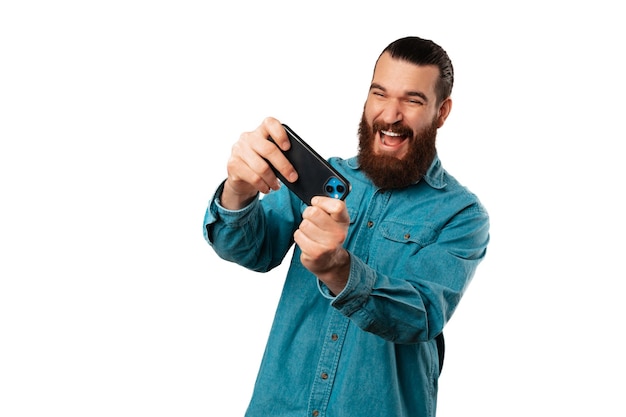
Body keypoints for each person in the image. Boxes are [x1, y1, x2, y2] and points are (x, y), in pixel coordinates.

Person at [203, 36, 490, 416]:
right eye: (380, 94)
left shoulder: (462, 214)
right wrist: (238, 191)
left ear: (442, 111)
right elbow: (246, 248)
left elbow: (419, 314)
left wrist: (338, 269)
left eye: (413, 100)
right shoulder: (323, 179)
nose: (390, 115)